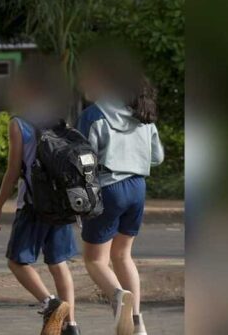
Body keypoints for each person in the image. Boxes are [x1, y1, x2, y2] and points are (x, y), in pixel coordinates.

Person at [76, 48, 164, 335]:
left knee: (94, 260)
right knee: (123, 257)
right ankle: (137, 324)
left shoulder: (93, 115)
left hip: (108, 188)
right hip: (137, 188)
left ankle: (118, 296)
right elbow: (157, 157)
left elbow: (82, 158)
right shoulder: (142, 115)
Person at [0, 62, 81, 335]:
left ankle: (51, 303)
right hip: (61, 204)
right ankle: (71, 326)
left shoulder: (19, 123)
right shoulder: (62, 121)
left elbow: (13, 170)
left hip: (32, 205)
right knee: (58, 263)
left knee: (17, 261)